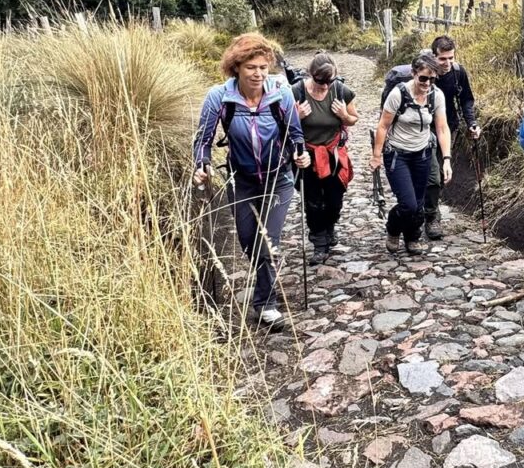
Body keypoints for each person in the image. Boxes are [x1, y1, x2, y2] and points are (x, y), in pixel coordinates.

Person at [192, 33, 308, 331]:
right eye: (251, 68)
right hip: (241, 180)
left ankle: (265, 304)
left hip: (279, 179)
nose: (258, 74)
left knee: (269, 242)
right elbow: (202, 140)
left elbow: (296, 135)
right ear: (236, 68)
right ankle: (264, 285)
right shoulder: (220, 97)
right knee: (248, 240)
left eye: (263, 68)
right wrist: (201, 165)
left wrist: (301, 155)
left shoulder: (280, 94)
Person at [370, 53, 453, 255]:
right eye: (423, 78)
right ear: (414, 74)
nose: (427, 83)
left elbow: (442, 128)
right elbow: (383, 126)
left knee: (418, 205)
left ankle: (412, 237)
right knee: (408, 204)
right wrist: (376, 156)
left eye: (432, 79)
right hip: (397, 155)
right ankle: (393, 228)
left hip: (422, 154)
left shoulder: (436, 96)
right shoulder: (398, 94)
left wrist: (447, 159)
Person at [291, 52, 359, 265]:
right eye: (320, 82)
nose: (324, 87)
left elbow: (354, 119)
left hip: (333, 154)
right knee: (313, 202)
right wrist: (296, 116)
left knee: (334, 200)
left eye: (328, 82)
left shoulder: (340, 91)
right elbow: (283, 124)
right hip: (306, 155)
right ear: (311, 75)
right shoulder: (296, 92)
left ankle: (329, 227)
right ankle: (319, 243)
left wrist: (344, 117)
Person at [424, 35, 480, 239]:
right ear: (433, 56)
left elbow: (466, 100)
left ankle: (431, 214)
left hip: (448, 128)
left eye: (451, 58)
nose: (447, 63)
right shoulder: (424, 73)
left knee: (436, 173)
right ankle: (429, 213)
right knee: (429, 172)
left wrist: (472, 123)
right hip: (422, 129)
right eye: (442, 59)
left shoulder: (458, 72)